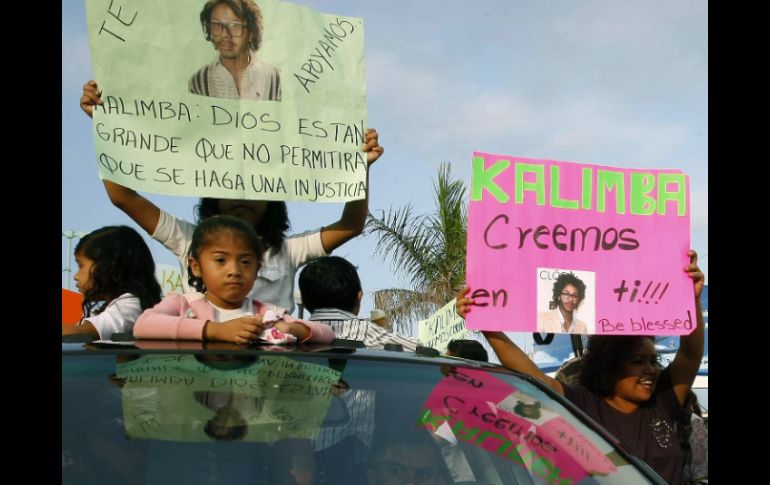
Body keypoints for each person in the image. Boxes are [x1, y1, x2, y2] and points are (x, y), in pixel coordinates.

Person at [80, 81, 384, 313]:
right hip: (200, 378)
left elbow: (350, 225)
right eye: (233, 184)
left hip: (269, 378)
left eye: (256, 186)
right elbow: (122, 196)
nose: (244, 196)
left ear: (273, 198)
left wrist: (359, 168)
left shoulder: (288, 250)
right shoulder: (188, 238)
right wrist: (105, 127)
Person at [456, 250, 705, 485]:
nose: (650, 370)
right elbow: (532, 376)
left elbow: (691, 353)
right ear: (610, 366)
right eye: (638, 362)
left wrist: (690, 298)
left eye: (653, 361)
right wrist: (488, 325)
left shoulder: (662, 401)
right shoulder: (586, 406)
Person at [134, 215, 335, 345]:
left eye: (246, 262)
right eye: (221, 260)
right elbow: (143, 325)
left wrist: (295, 329)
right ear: (196, 266)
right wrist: (216, 331)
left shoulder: (266, 314)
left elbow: (327, 334)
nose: (234, 270)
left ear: (258, 269)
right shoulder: (182, 304)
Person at [298, 256, 419, 350]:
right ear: (359, 297)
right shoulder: (371, 334)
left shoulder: (288, 337)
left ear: (304, 300)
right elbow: (422, 350)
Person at [62, 226, 162, 340]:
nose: (76, 276)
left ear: (109, 267)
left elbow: (79, 333)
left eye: (81, 266)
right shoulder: (107, 310)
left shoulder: (130, 307)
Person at [190, 0, 281, 100]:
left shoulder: (275, 78)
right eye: (217, 26)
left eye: (235, 26)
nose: (224, 34)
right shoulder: (199, 81)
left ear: (251, 33)